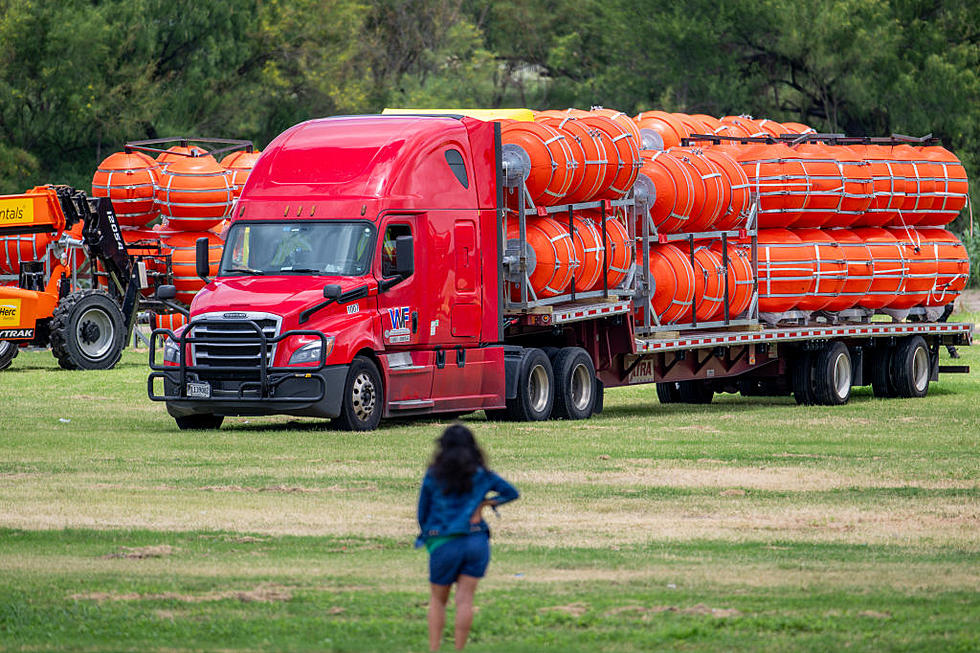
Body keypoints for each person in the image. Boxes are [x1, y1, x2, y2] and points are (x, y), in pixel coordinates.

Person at [416, 424, 519, 651]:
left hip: (444, 541)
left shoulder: (434, 475)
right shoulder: (481, 474)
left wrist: (429, 537)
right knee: (465, 600)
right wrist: (488, 503)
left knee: (438, 600)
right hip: (476, 541)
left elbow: (422, 513)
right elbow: (512, 492)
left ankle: (435, 649)